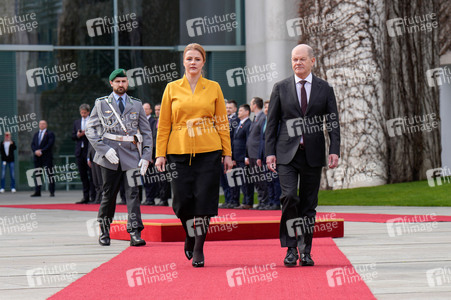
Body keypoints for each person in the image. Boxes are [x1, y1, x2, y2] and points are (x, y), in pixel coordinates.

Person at [155, 43, 232, 267]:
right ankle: (189, 234)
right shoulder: (171, 88)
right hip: (178, 151)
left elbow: (222, 122)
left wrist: (227, 153)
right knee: (181, 201)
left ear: (203, 62)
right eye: (189, 59)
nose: (193, 63)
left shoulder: (214, 87)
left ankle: (198, 248)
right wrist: (160, 154)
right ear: (183, 61)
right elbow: (164, 124)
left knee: (204, 201)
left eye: (197, 59)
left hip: (209, 151)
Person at [265, 44, 340, 267]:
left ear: (312, 61)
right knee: (289, 198)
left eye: (302, 59)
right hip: (286, 154)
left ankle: (305, 250)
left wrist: (334, 149)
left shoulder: (325, 89)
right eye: (294, 59)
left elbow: (333, 122)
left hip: (313, 154)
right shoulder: (281, 87)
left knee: (308, 204)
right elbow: (272, 123)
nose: (297, 63)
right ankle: (290, 249)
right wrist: (269, 153)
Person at [86, 68, 153, 247]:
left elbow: (146, 132)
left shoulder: (136, 104)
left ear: (127, 83)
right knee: (108, 194)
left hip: (131, 156)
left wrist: (146, 156)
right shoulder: (101, 104)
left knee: (133, 194)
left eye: (124, 81)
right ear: (111, 84)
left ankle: (135, 232)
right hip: (110, 157)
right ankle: (105, 231)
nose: (121, 84)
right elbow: (90, 130)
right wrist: (103, 149)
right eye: (118, 82)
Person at [247, 97, 268, 209]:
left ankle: (265, 201)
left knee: (261, 178)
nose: (250, 106)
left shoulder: (263, 118)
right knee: (256, 178)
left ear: (255, 105)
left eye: (251, 104)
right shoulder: (256, 118)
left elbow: (262, 138)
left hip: (257, 153)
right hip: (252, 154)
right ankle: (261, 201)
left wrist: (260, 154)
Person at [258, 100, 281, 210]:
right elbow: (261, 140)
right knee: (268, 180)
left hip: (274, 155)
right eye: (265, 107)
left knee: (275, 180)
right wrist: (259, 156)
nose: (266, 109)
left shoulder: (278, 121)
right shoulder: (263, 121)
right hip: (264, 155)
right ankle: (270, 201)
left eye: (268, 107)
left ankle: (276, 202)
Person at [73, 104, 96, 204]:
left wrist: (86, 133)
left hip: (89, 151)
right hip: (80, 151)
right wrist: (78, 135)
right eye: (81, 113)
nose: (83, 114)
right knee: (83, 175)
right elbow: (73, 136)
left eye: (85, 113)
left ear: (88, 112)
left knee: (92, 175)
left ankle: (93, 196)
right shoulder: (77, 122)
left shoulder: (92, 121)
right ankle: (85, 196)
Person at [232, 104, 254, 209]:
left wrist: (246, 156)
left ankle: (248, 202)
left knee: (246, 180)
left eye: (240, 110)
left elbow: (247, 141)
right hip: (237, 156)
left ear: (247, 112)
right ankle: (243, 201)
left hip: (243, 157)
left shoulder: (248, 124)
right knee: (240, 180)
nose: (238, 112)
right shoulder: (239, 123)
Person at [219, 99, 239, 208]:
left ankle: (233, 200)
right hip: (221, 155)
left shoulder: (236, 121)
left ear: (235, 109)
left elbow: (234, 140)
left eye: (230, 108)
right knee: (224, 180)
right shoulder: (222, 120)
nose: (228, 110)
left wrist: (230, 156)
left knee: (232, 179)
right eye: (226, 108)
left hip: (230, 155)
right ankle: (227, 200)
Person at [31, 120, 55, 197]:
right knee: (38, 175)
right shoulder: (36, 134)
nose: (42, 125)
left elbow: (50, 144)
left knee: (50, 174)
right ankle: (37, 191)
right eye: (40, 124)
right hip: (37, 158)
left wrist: (42, 151)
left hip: (47, 157)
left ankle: (52, 191)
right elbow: (33, 144)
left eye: (43, 124)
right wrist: (35, 151)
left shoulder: (50, 134)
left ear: (46, 125)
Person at [153, 103, 171, 206]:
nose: (157, 112)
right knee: (159, 177)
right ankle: (161, 197)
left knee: (165, 178)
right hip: (156, 154)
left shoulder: (168, 122)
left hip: (167, 155)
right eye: (156, 110)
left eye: (159, 109)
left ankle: (164, 199)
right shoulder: (155, 122)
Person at [142, 103, 158, 205]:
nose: (145, 111)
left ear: (150, 110)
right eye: (143, 109)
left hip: (150, 154)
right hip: (142, 153)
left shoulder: (153, 122)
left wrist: (150, 155)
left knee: (150, 177)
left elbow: (152, 139)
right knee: (144, 178)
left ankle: (150, 198)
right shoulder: (141, 121)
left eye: (147, 109)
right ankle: (148, 197)